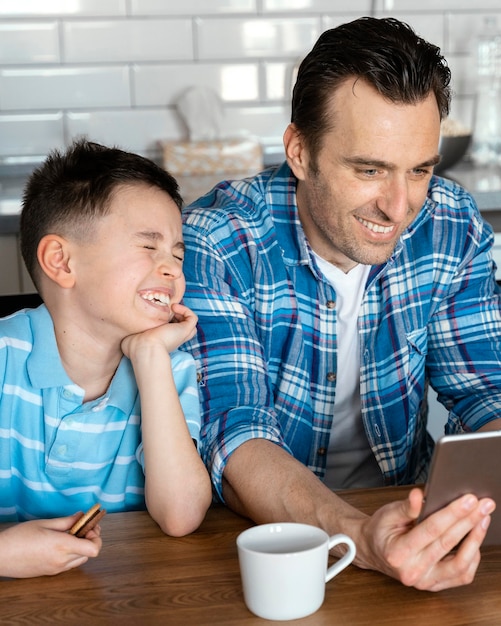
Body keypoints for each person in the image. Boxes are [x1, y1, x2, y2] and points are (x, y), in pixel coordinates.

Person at [181, 16, 501, 591]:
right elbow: (237, 435)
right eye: (370, 169)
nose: (400, 206)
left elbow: (483, 390)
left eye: (420, 170)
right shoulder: (218, 242)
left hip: (406, 518)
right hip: (261, 548)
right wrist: (362, 537)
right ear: (300, 152)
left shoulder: (451, 222)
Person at [0, 139, 212, 578]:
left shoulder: (171, 371)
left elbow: (181, 515)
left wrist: (151, 359)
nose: (173, 269)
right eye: (148, 247)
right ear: (61, 262)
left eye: (177, 252)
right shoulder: (4, 356)